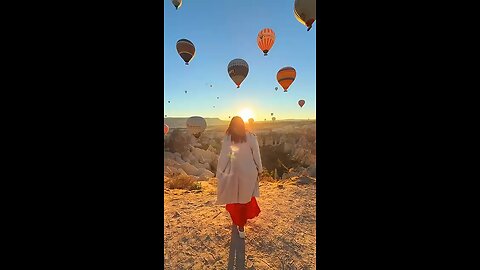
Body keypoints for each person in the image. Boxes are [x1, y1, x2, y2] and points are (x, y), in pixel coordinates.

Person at [216, 116, 262, 239]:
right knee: (245, 200)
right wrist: (260, 169)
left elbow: (224, 157)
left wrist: (220, 172)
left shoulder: (228, 138)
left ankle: (237, 222)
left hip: (233, 172)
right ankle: (241, 226)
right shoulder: (251, 137)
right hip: (249, 172)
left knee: (234, 199)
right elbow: (256, 154)